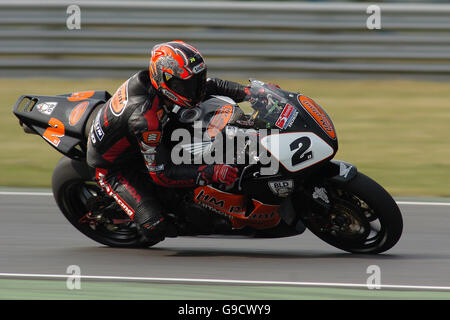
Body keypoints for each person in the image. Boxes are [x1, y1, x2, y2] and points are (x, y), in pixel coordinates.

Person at [86, 40, 249, 243]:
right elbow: (161, 174)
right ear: (165, 80)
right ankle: (128, 214)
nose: (195, 89)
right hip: (114, 168)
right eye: (187, 85)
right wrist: (212, 172)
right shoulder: (146, 120)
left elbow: (211, 85)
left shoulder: (158, 84)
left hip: (136, 137)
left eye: (197, 81)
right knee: (156, 226)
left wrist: (249, 93)